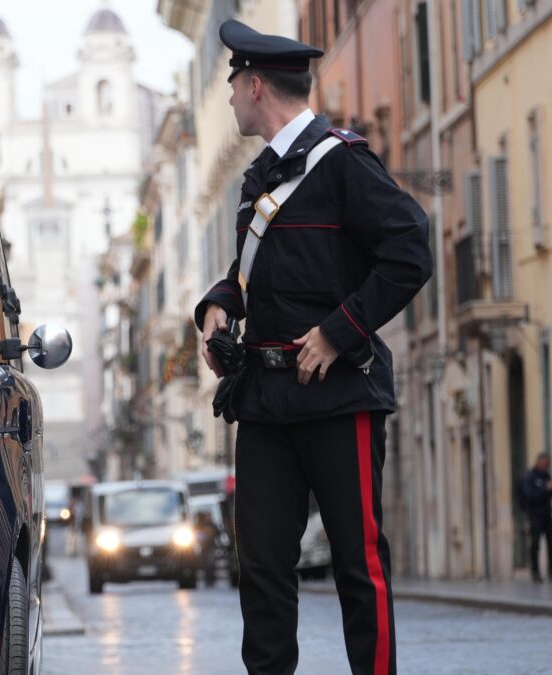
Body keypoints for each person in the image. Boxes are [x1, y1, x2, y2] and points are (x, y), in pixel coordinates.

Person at [193, 20, 432, 675]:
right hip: (265, 404)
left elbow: (412, 252)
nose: (231, 98)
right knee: (263, 571)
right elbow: (254, 273)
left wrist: (338, 330)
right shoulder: (258, 179)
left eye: (235, 85)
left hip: (337, 396)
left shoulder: (345, 162)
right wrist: (220, 302)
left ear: (256, 84)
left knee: (359, 563)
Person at [518, 453, 552, 582]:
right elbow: (529, 495)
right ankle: (535, 571)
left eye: (547, 465)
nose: (546, 466)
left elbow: (551, 494)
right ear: (538, 462)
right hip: (535, 516)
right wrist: (545, 489)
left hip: (547, 515)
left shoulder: (546, 475)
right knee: (535, 545)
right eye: (544, 464)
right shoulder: (529, 477)